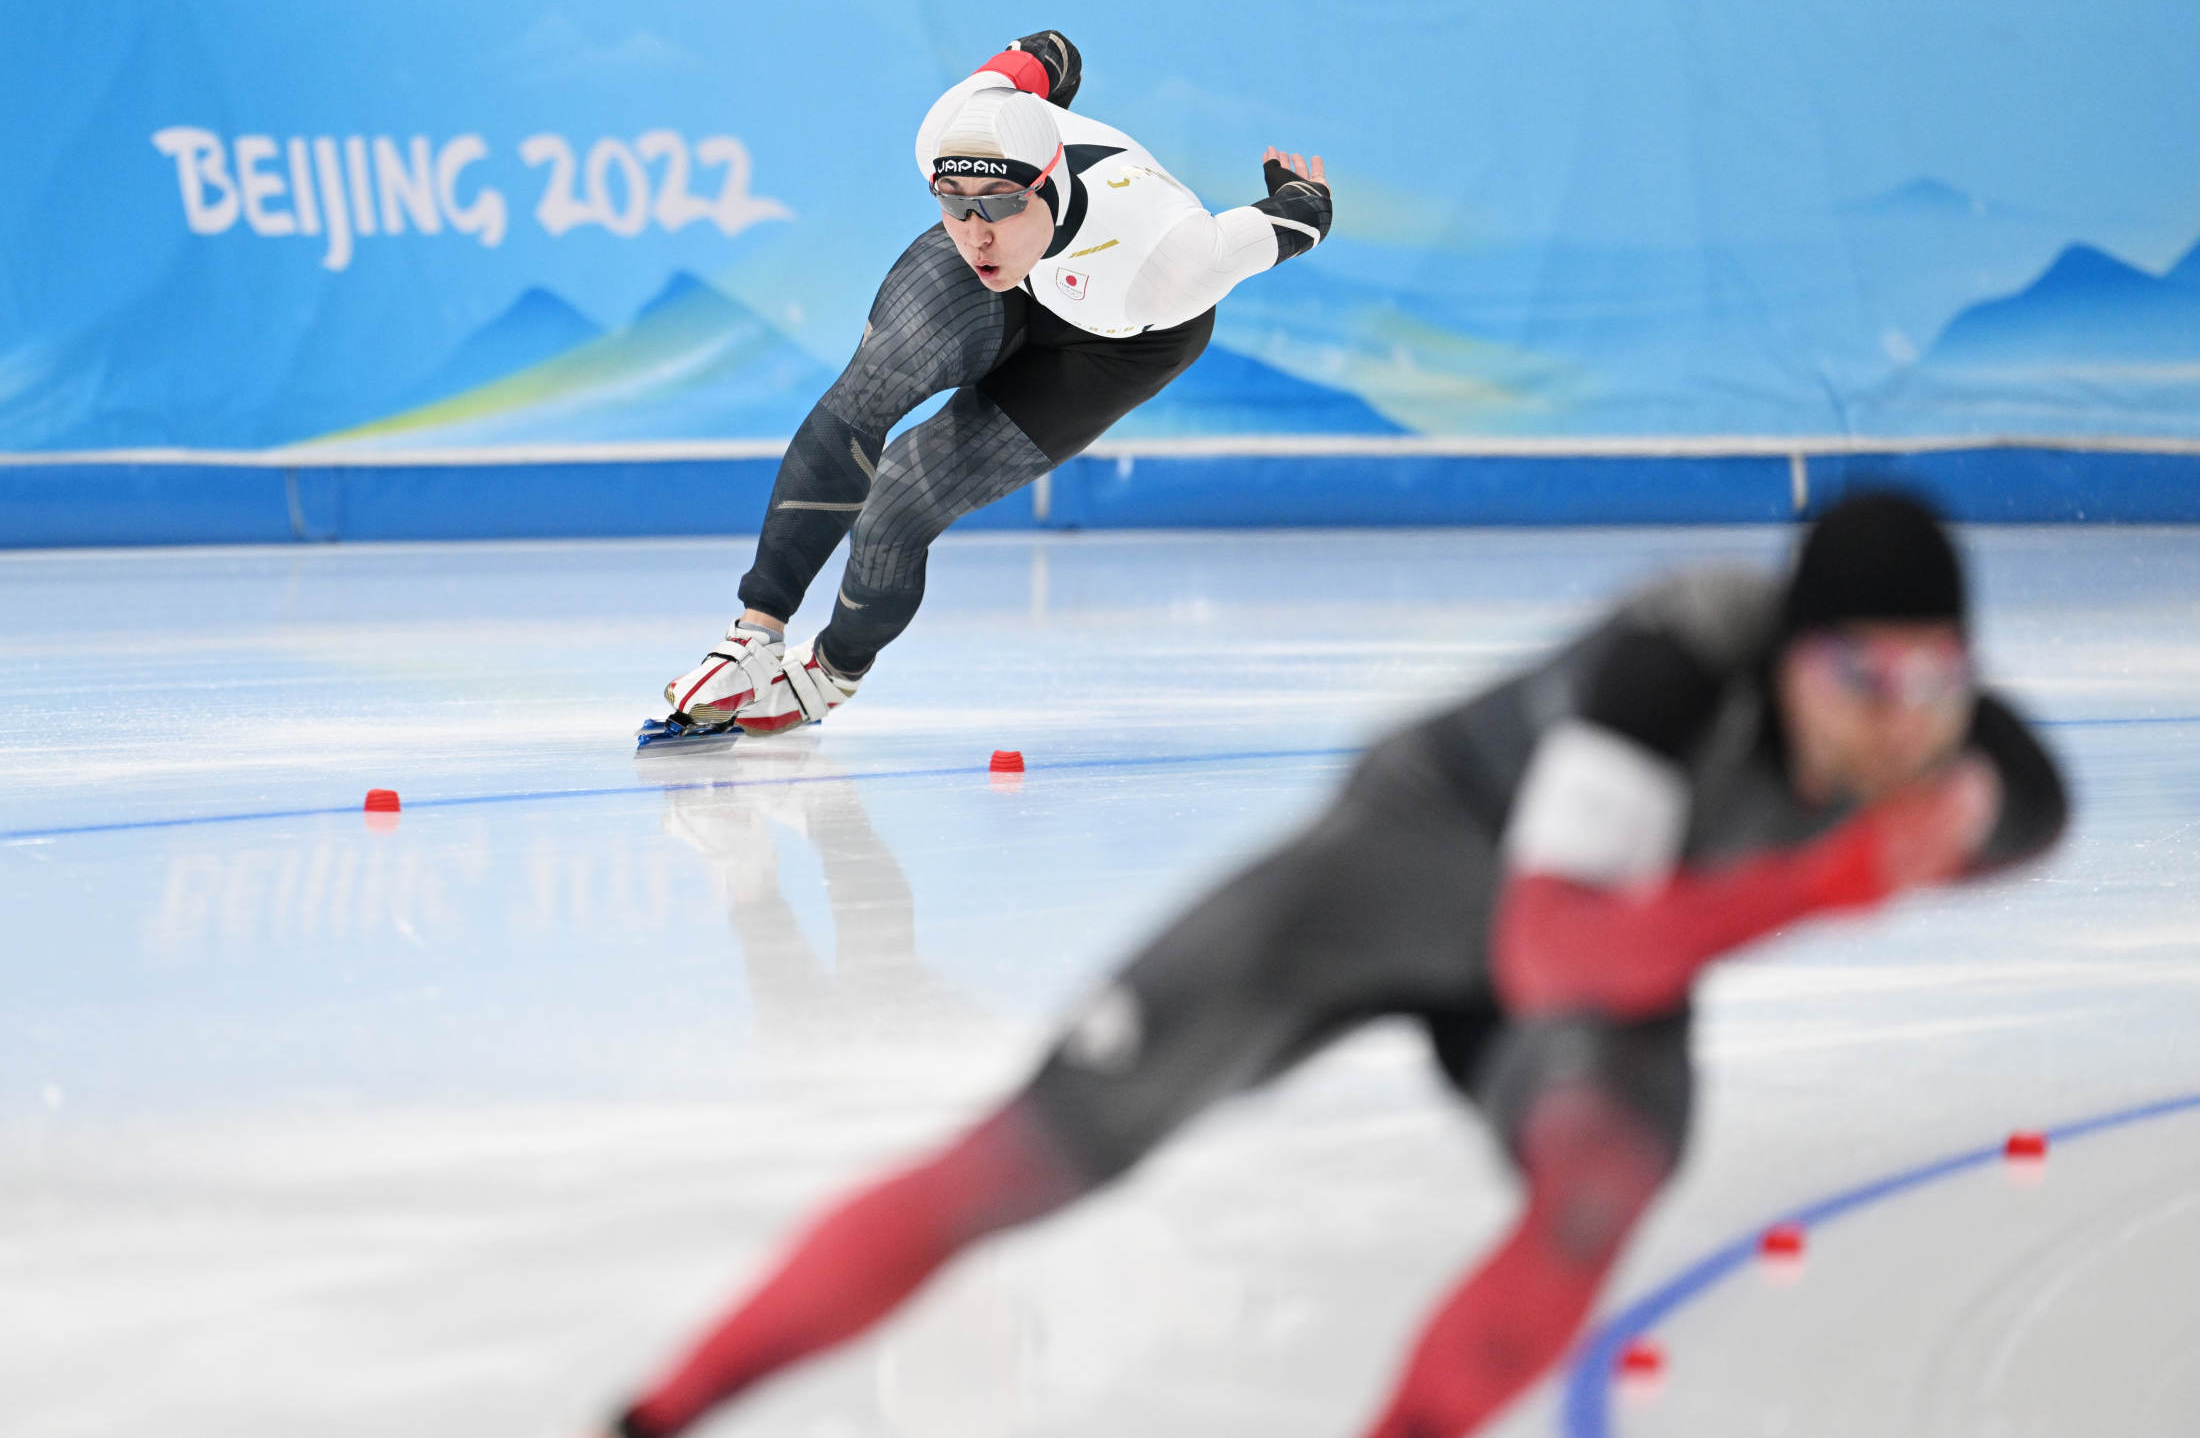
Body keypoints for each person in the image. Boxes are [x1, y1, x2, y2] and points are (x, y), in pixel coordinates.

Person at [605, 493, 2067, 1437]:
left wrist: (1897, 831)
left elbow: (2032, 811)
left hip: (1615, 939)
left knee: (1601, 1186)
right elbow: (1549, 941)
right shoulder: (1676, 659)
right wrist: (1832, 879)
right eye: (1859, 681)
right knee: (1026, 1157)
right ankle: (662, 1410)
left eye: (1931, 685)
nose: (1895, 725)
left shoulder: (1970, 768)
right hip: (1393, 878)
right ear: (1790, 653)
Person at [656, 30, 1334, 738]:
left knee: (898, 502)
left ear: (1049, 181)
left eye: (1002, 202)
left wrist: (1296, 192)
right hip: (1021, 277)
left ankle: (828, 673)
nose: (977, 230)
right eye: (953, 201)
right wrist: (1038, 90)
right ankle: (752, 639)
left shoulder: (1169, 262)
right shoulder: (955, 127)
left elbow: (1301, 218)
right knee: (870, 388)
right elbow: (1052, 50)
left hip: (1117, 338)